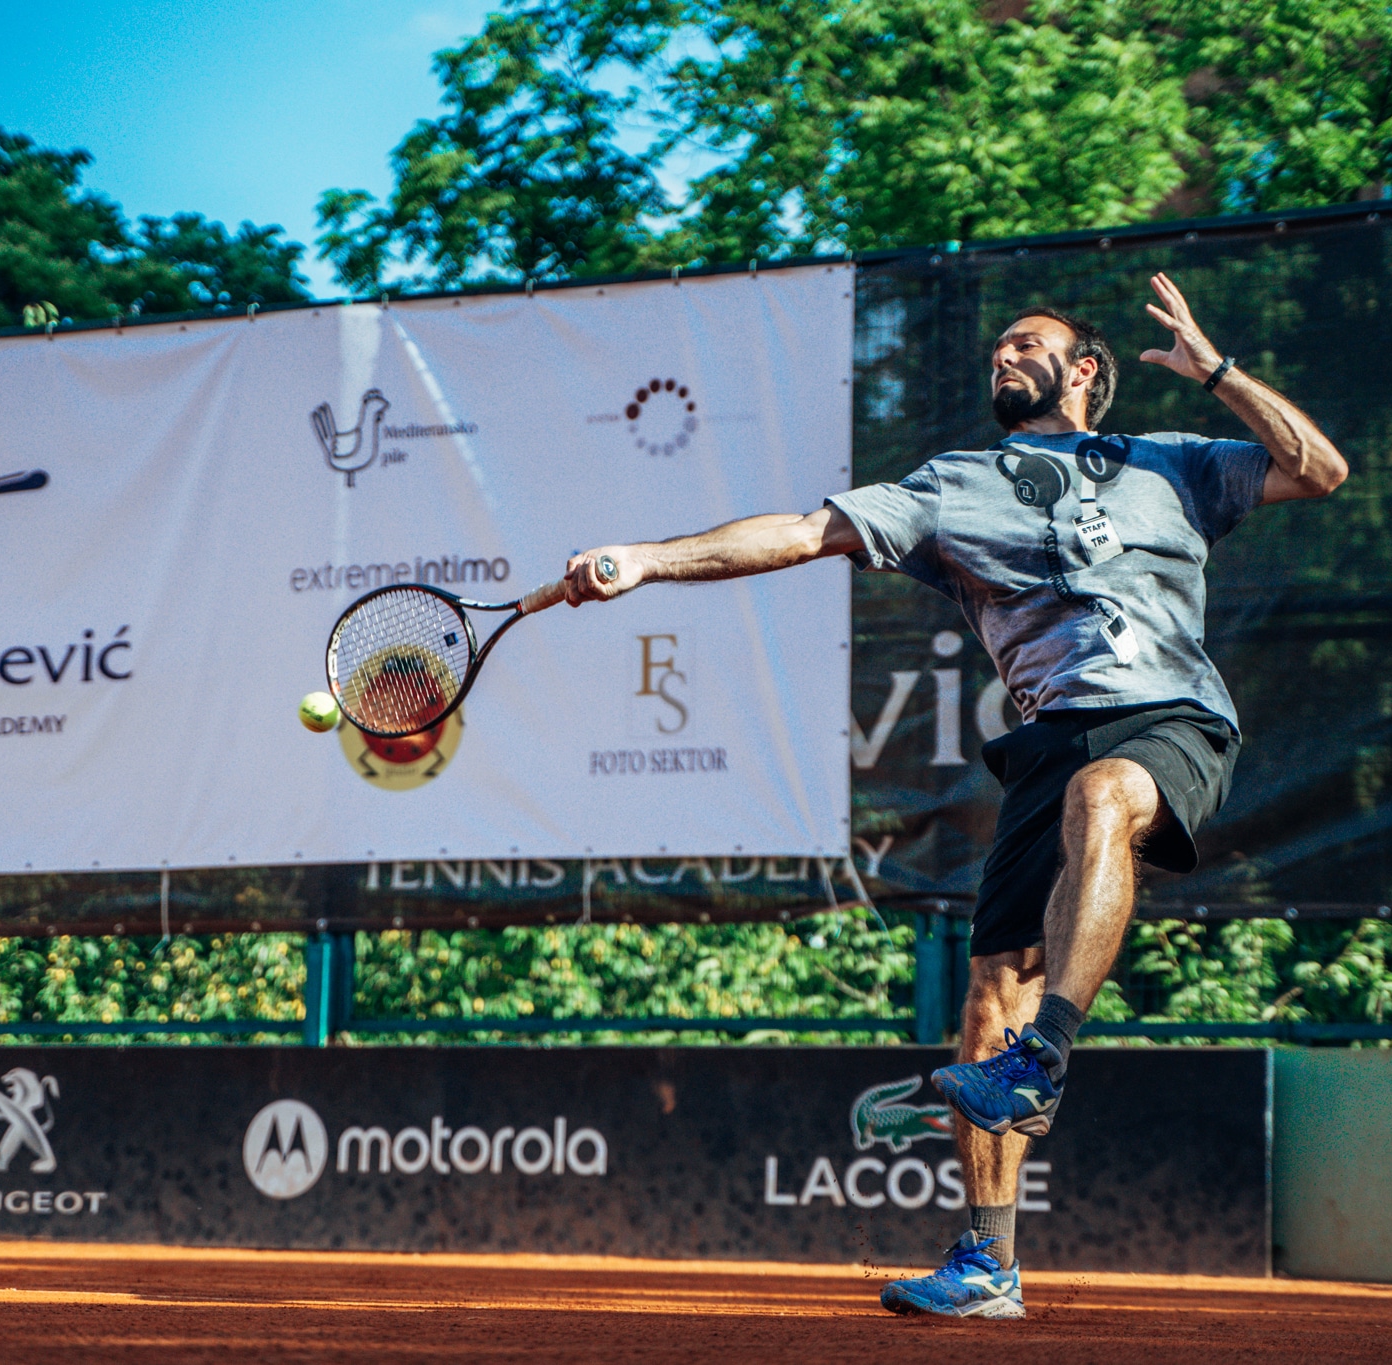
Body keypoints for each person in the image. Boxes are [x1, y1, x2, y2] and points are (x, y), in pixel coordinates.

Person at [560, 272, 1347, 1319]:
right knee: (985, 1005)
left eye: (1026, 345)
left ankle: (1047, 1055)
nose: (1002, 357)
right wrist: (646, 560)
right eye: (996, 351)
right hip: (1041, 743)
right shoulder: (949, 485)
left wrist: (1214, 371)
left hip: (1167, 718)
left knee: (1107, 795)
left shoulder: (1176, 466)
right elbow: (799, 533)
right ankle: (985, 1264)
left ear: (1083, 371)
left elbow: (1318, 469)